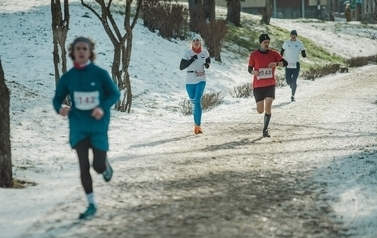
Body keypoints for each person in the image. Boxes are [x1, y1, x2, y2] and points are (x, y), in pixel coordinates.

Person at [52, 37, 120, 219]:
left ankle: (104, 165)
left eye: (85, 48)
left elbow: (115, 94)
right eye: (78, 48)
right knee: (83, 166)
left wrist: (102, 107)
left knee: (97, 166)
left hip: (98, 125)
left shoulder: (100, 74)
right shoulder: (68, 77)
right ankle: (91, 205)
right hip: (78, 126)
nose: (81, 51)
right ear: (72, 52)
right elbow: (57, 99)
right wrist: (60, 108)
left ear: (90, 52)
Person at [248, 33, 288, 138]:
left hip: (270, 84)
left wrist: (276, 64)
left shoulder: (274, 54)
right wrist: (254, 73)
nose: (267, 44)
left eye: (268, 42)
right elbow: (249, 69)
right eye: (265, 42)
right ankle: (261, 111)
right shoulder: (254, 55)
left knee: (269, 107)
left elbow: (285, 63)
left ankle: (265, 129)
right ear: (260, 43)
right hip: (258, 85)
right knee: (260, 110)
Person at [179, 34, 211, 134]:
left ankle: (198, 125)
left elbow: (208, 61)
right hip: (190, 80)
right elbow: (181, 67)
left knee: (197, 100)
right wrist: (192, 59)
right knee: (194, 103)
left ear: (200, 42)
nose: (196, 42)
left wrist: (207, 64)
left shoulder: (205, 52)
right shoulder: (188, 53)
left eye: (198, 40)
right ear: (192, 43)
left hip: (201, 79)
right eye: (194, 41)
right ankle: (196, 125)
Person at [280, 30, 306, 102]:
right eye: (292, 35)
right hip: (288, 64)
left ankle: (292, 95)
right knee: (288, 81)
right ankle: (292, 85)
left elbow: (303, 51)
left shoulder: (300, 43)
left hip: (296, 64)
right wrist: (280, 59)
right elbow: (282, 51)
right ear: (290, 36)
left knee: (294, 80)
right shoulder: (286, 43)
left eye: (294, 35)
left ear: (296, 36)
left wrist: (304, 54)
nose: (293, 36)